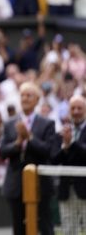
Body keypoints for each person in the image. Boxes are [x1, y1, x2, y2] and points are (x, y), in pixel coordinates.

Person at [0, 82, 56, 235]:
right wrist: (17, 143)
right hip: (15, 185)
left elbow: (49, 152)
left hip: (40, 184)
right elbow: (2, 152)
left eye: (29, 95)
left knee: (45, 226)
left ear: (37, 100)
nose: (25, 98)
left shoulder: (47, 124)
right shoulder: (10, 123)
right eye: (22, 95)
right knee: (19, 228)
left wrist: (29, 137)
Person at [52, 95, 86, 235]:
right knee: (68, 231)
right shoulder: (62, 132)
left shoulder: (67, 134)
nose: (76, 111)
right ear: (68, 111)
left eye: (80, 108)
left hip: (85, 189)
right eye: (73, 108)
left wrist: (72, 143)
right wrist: (65, 146)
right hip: (66, 190)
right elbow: (53, 159)